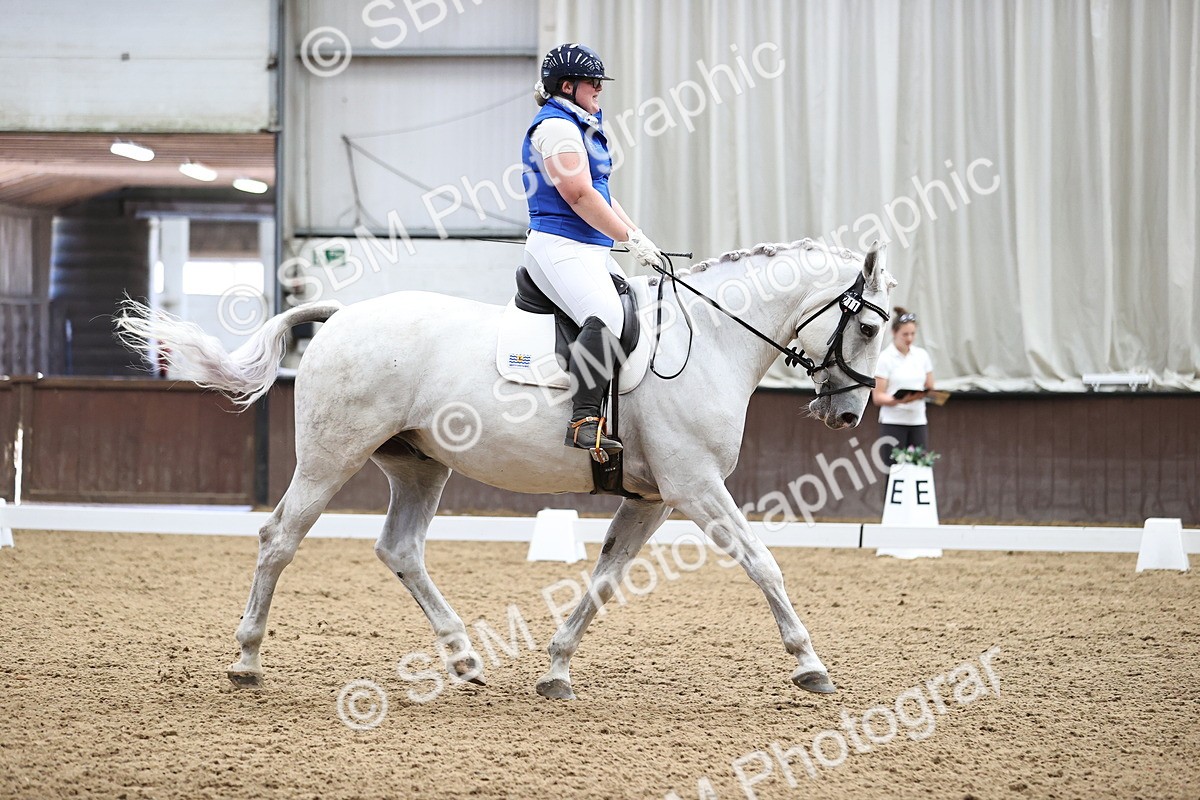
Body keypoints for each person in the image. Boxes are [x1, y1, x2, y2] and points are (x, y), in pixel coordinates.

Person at [521, 43, 665, 459]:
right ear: (568, 86)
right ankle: (583, 420)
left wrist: (638, 235)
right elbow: (579, 195)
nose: (600, 89)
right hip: (560, 244)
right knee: (606, 315)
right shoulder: (556, 128)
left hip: (589, 247)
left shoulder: (581, 123)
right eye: (593, 82)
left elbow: (602, 193)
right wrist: (628, 240)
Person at [871, 307, 935, 463]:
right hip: (893, 422)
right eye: (905, 334)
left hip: (918, 420)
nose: (909, 338)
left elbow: (930, 387)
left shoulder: (922, 355)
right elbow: (878, 397)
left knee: (920, 466)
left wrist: (924, 394)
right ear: (894, 333)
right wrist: (900, 400)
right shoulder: (885, 358)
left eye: (912, 334)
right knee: (894, 469)